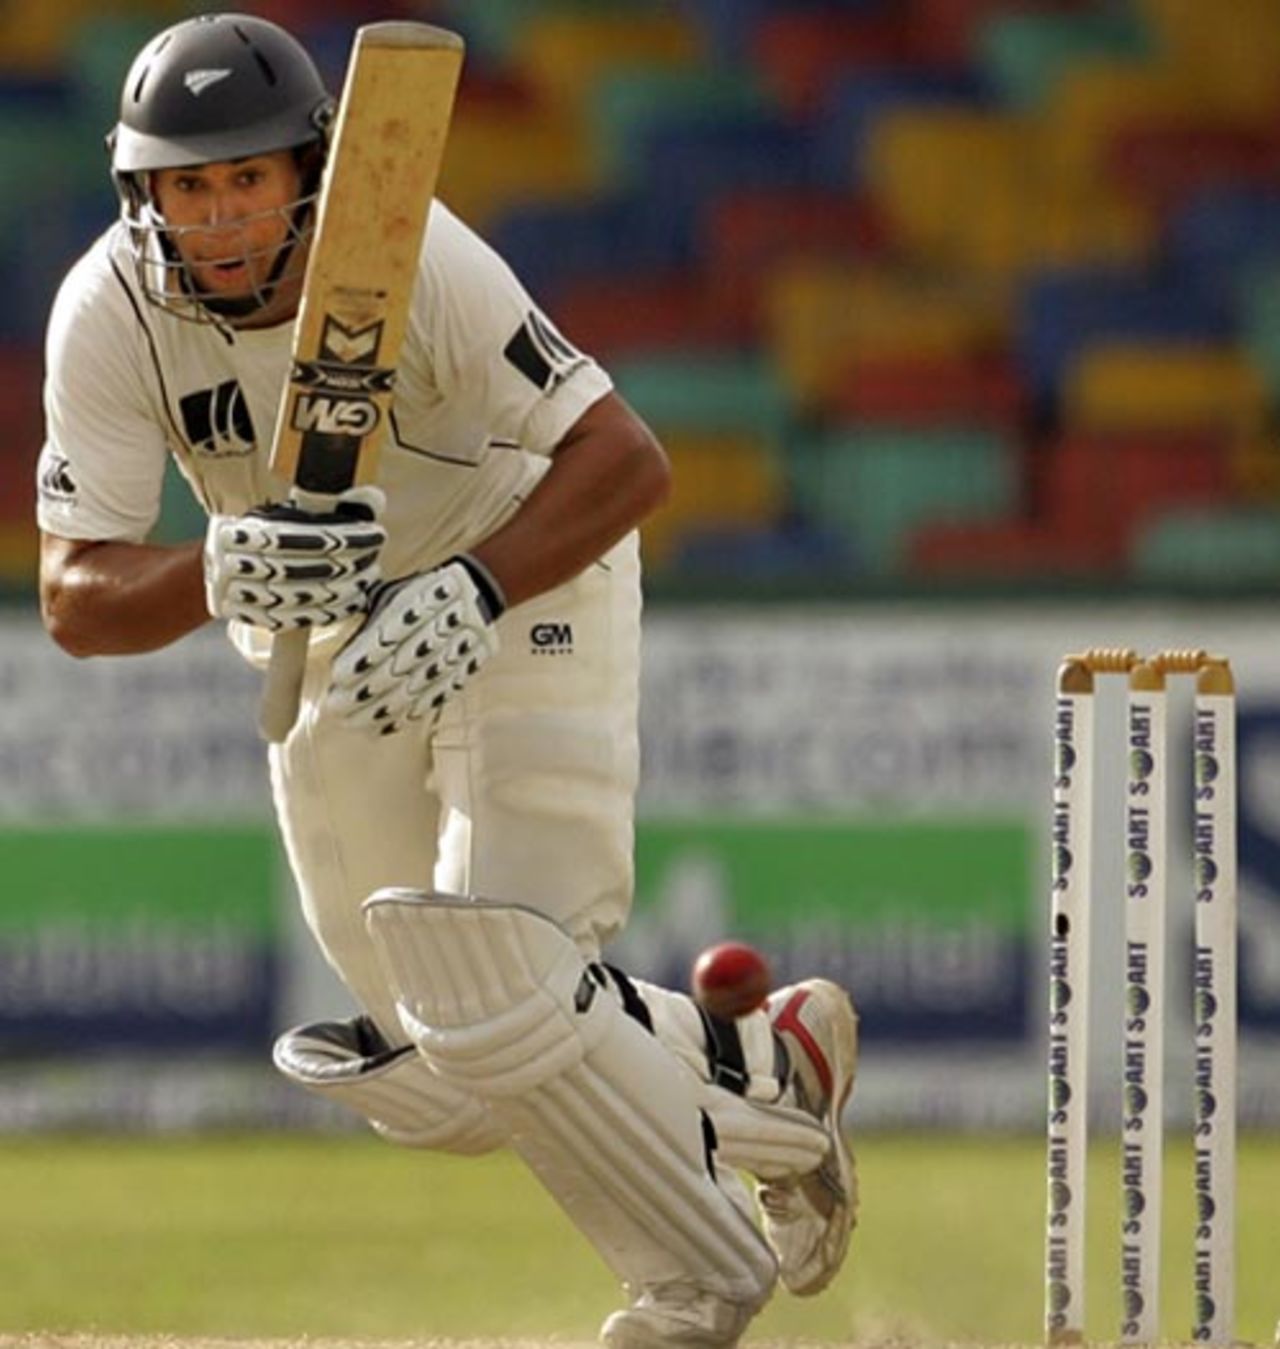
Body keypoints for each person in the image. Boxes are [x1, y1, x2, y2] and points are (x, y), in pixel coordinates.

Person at [34, 14, 859, 1346]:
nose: (224, 215)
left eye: (248, 177)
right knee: (448, 1072)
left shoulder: (413, 254)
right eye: (190, 186)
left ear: (309, 168)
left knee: (500, 979)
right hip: (334, 648)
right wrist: (219, 568)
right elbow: (75, 597)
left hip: (524, 582)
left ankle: (696, 1283)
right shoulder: (109, 314)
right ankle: (762, 1069)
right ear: (145, 195)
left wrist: (476, 586)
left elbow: (627, 458)